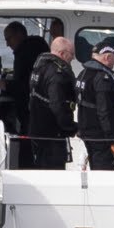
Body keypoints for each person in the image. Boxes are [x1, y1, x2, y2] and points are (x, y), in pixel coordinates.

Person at [2, 21, 50, 168]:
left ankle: (25, 169)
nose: (7, 44)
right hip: (42, 109)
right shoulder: (40, 47)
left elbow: (22, 84)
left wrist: (6, 85)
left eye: (8, 39)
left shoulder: (23, 52)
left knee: (27, 144)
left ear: (19, 35)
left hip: (29, 109)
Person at [76, 40, 114, 170]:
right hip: (101, 137)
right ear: (107, 57)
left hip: (87, 132)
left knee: (95, 167)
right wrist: (112, 141)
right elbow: (105, 111)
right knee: (105, 172)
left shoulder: (84, 73)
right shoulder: (102, 78)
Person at [28, 37, 77, 169]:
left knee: (40, 165)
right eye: (71, 55)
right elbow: (57, 105)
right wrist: (70, 127)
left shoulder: (40, 67)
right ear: (62, 54)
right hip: (52, 133)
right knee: (53, 170)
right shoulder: (57, 74)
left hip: (37, 128)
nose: (72, 58)